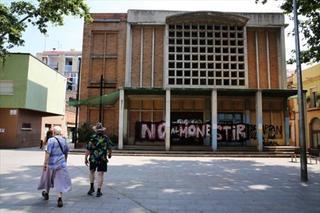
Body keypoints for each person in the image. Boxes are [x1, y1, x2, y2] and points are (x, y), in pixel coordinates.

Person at [37, 126, 72, 208]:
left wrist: (45, 163)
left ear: (53, 132)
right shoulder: (64, 140)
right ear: (60, 132)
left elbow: (48, 152)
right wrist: (65, 161)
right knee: (60, 180)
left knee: (48, 178)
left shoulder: (51, 140)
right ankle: (59, 198)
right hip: (61, 163)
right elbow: (66, 152)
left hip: (51, 164)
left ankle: (46, 193)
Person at [85, 122, 113, 197]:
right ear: (102, 130)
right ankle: (99, 190)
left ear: (96, 130)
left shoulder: (92, 138)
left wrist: (85, 158)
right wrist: (110, 154)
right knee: (100, 174)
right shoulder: (106, 138)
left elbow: (88, 149)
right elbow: (110, 148)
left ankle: (91, 188)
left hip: (93, 158)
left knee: (92, 172)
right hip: (102, 158)